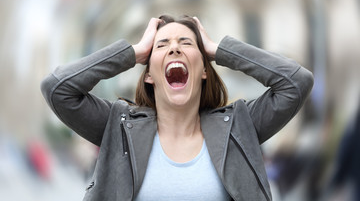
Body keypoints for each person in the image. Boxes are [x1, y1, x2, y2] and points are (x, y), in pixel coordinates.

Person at [41, 15, 314, 201]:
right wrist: (133, 53)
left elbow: (296, 83)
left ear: (204, 70)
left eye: (186, 43)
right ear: (149, 74)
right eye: (161, 45)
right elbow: (57, 88)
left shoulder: (240, 125)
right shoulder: (118, 125)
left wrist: (219, 50)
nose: (174, 49)